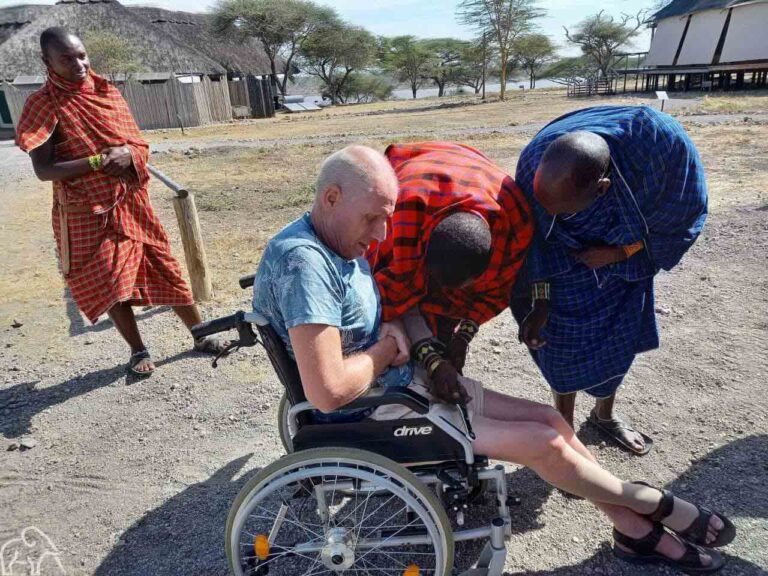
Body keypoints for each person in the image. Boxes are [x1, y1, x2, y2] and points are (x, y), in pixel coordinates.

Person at [252, 144, 733, 572]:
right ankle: (655, 506)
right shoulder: (305, 264)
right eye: (372, 220)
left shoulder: (338, 238)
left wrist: (430, 356)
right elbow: (329, 391)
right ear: (331, 197)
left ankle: (632, 529)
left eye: (386, 219)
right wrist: (384, 348)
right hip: (379, 408)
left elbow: (402, 311)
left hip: (404, 386)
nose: (381, 237)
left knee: (549, 418)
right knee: (544, 445)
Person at [15, 27, 226, 376]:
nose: (78, 64)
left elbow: (139, 145)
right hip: (86, 211)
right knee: (113, 283)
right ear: (47, 62)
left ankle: (200, 336)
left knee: (166, 269)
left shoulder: (106, 92)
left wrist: (128, 153)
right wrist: (99, 161)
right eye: (66, 59)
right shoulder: (42, 104)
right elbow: (44, 169)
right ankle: (138, 350)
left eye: (81, 55)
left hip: (131, 203)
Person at [513, 106, 708, 455]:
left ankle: (604, 416)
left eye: (565, 210)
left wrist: (622, 252)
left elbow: (683, 218)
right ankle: (566, 432)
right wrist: (540, 299)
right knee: (560, 347)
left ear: (602, 188)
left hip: (626, 265)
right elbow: (537, 238)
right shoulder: (532, 166)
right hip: (564, 265)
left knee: (617, 344)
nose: (553, 217)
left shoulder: (662, 150)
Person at [367, 141, 533, 403]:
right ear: (425, 257)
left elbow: (497, 291)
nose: (443, 296)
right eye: (432, 282)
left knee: (441, 331)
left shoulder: (514, 227)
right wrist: (431, 358)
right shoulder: (402, 219)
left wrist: (462, 337)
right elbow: (393, 297)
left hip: (469, 175)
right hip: (423, 177)